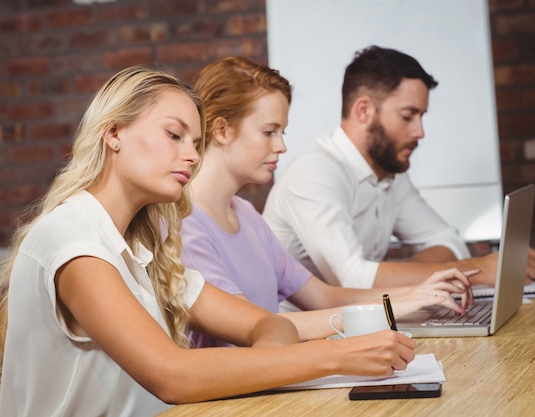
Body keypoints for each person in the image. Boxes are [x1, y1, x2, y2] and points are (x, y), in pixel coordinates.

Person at [0, 65, 417, 417]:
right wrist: (339, 358)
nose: (191, 154)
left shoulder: (144, 251)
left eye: (196, 142)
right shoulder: (72, 238)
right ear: (113, 133)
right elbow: (171, 375)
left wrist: (266, 362)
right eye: (174, 135)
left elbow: (266, 324)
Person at [180, 56, 473, 348]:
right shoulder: (185, 225)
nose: (281, 146)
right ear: (222, 131)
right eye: (269, 132)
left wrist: (414, 295)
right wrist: (389, 307)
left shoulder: (246, 214)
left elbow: (323, 296)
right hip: (244, 390)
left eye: (282, 132)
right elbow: (260, 325)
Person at [262, 45, 535, 290]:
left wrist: (407, 278)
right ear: (364, 111)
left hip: (359, 326)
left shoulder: (389, 174)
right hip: (301, 336)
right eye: (408, 116)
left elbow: (448, 241)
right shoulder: (316, 173)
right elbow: (352, 279)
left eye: (422, 116)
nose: (420, 132)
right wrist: (477, 272)